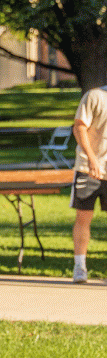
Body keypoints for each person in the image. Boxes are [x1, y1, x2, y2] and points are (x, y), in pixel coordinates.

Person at [70, 85, 107, 283]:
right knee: (83, 218)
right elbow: (79, 127)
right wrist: (92, 159)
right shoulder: (95, 96)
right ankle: (79, 267)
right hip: (88, 168)